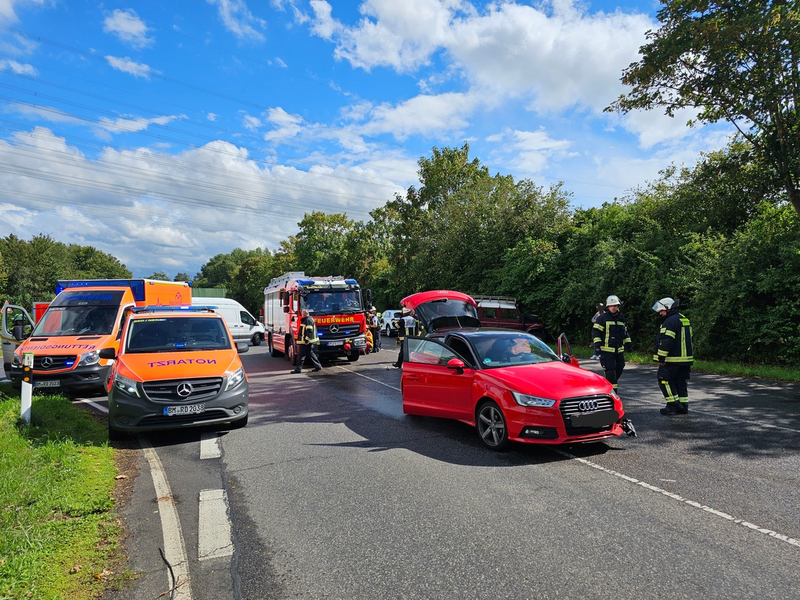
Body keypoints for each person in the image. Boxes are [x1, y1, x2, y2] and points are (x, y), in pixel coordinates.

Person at [652, 297, 693, 415]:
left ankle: (673, 405)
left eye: (662, 310)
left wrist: (661, 357)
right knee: (680, 382)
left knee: (664, 380)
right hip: (685, 360)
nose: (660, 313)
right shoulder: (683, 319)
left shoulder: (669, 322)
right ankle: (683, 406)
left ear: (668, 308)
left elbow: (667, 341)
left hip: (672, 359)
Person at [592, 294, 631, 392]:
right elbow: (596, 332)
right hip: (606, 351)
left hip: (619, 350)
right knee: (610, 371)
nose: (614, 307)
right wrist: (597, 345)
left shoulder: (622, 318)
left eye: (616, 305)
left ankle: (607, 385)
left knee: (620, 368)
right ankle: (613, 393)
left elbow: (625, 333)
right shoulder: (602, 318)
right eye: (612, 306)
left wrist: (628, 344)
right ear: (608, 306)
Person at [292, 309, 322, 373]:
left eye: (302, 314)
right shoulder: (308, 320)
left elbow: (309, 331)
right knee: (310, 354)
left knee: (301, 355)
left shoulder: (307, 320)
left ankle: (298, 369)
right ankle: (318, 366)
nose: (301, 315)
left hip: (305, 342)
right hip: (307, 341)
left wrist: (306, 340)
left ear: (304, 314)